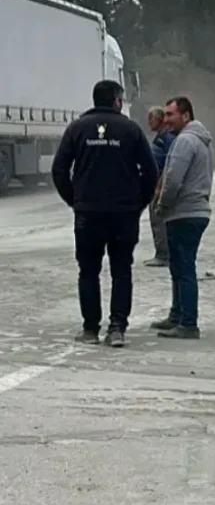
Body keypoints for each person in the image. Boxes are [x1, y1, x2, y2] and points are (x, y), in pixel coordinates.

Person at [51, 80, 159, 348]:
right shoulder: (131, 130)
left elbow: (59, 170)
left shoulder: (77, 128)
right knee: (122, 270)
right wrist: (139, 204)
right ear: (116, 101)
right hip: (124, 214)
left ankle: (90, 329)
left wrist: (75, 201)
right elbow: (151, 172)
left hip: (88, 213)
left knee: (88, 271)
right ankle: (117, 328)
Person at [150, 96, 214, 339]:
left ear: (185, 116)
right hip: (196, 210)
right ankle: (176, 315)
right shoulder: (202, 140)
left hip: (183, 212)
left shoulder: (185, 142)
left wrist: (162, 204)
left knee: (184, 268)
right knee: (178, 266)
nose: (165, 120)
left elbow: (173, 179)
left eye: (170, 114)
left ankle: (188, 323)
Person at [144, 106, 176, 267]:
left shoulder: (166, 139)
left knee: (158, 219)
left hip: (161, 186)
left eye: (151, 118)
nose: (148, 121)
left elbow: (169, 164)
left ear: (161, 119)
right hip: (157, 184)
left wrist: (159, 187)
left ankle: (163, 255)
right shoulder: (161, 138)